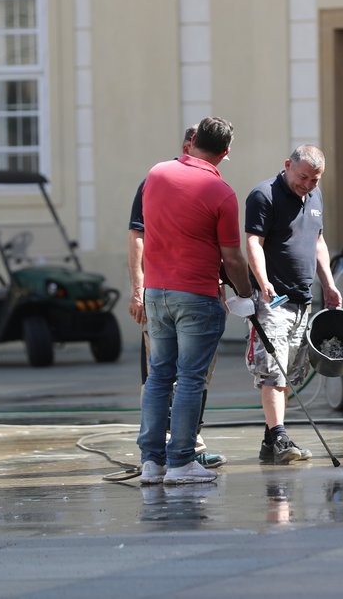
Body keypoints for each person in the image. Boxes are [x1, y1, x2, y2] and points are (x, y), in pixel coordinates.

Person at [137, 116, 253, 484]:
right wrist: (246, 296)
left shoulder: (156, 174)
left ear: (192, 141)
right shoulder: (221, 193)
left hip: (155, 292)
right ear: (226, 152)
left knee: (158, 377)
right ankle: (182, 461)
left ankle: (151, 462)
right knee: (189, 379)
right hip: (196, 295)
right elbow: (232, 257)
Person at [127, 125, 226, 469]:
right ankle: (178, 457)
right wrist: (137, 289)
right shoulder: (158, 181)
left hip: (165, 293)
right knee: (179, 376)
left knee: (173, 375)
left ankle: (165, 455)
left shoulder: (162, 176)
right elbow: (137, 237)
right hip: (180, 294)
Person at [244, 144, 342, 464]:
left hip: (302, 301)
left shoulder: (315, 197)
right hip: (272, 300)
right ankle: (281, 438)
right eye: (303, 177)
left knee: (288, 375)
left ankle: (270, 439)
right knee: (272, 373)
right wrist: (263, 282)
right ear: (287, 165)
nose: (308, 185)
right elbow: (253, 243)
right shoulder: (264, 196)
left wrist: (328, 283)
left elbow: (318, 242)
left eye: (314, 180)